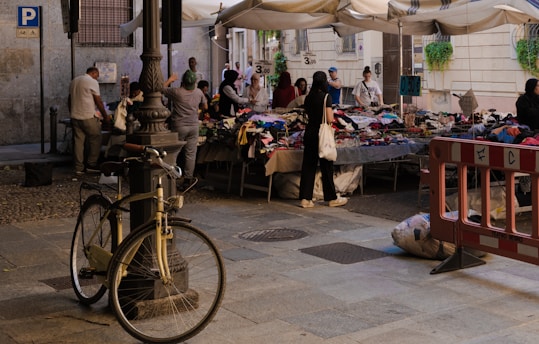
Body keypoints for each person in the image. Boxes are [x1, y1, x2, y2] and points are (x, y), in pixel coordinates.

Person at [299, 71, 348, 208]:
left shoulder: (308, 97)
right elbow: (330, 118)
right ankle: (332, 198)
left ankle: (305, 198)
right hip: (322, 134)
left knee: (308, 165)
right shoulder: (327, 97)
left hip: (309, 131)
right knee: (327, 166)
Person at [161, 70, 207, 186]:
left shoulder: (177, 92)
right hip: (193, 126)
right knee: (191, 154)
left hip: (179, 126)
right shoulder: (198, 92)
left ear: (183, 81)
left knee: (174, 152)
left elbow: (160, 89)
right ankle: (188, 179)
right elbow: (205, 105)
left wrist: (170, 79)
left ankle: (171, 177)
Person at [68, 66, 110, 175]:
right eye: (97, 76)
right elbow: (98, 101)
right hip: (88, 116)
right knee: (96, 138)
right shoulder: (91, 82)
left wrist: (72, 112)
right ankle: (91, 164)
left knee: (78, 142)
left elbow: (69, 99)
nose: (97, 78)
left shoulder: (74, 81)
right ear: (94, 73)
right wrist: (105, 117)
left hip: (75, 116)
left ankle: (78, 167)